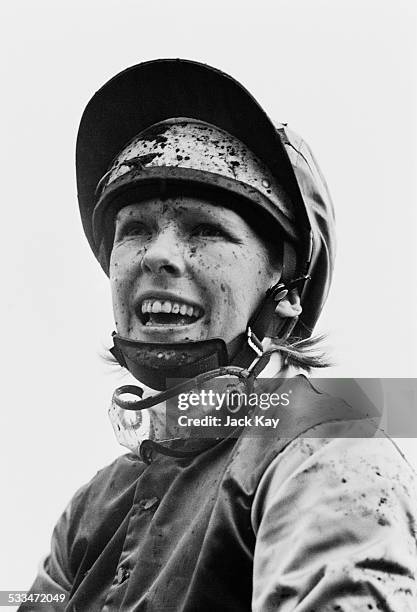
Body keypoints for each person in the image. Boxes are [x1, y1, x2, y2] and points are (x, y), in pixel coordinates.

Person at [21, 59, 417, 611]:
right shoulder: (91, 508)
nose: (156, 254)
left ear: (285, 284)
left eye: (206, 229)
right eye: (134, 229)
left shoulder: (327, 437)